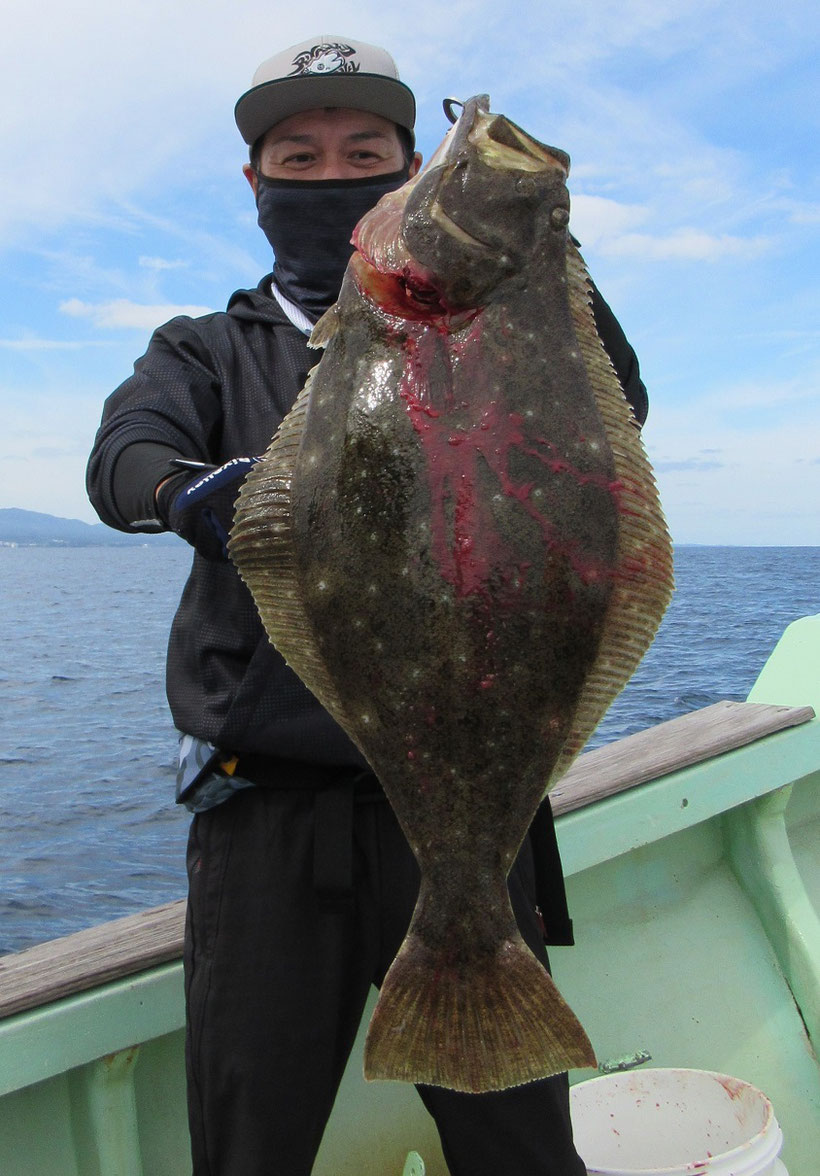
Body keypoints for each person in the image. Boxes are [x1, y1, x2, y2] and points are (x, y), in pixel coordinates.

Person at [87, 34, 648, 1176]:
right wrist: (179, 492)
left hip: (467, 821)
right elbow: (123, 454)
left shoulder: (519, 311)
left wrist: (539, 239)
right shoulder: (206, 349)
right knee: (251, 1143)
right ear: (256, 184)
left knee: (522, 1150)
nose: (328, 170)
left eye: (365, 151)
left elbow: (617, 404)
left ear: (404, 176)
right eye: (298, 155)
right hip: (267, 823)